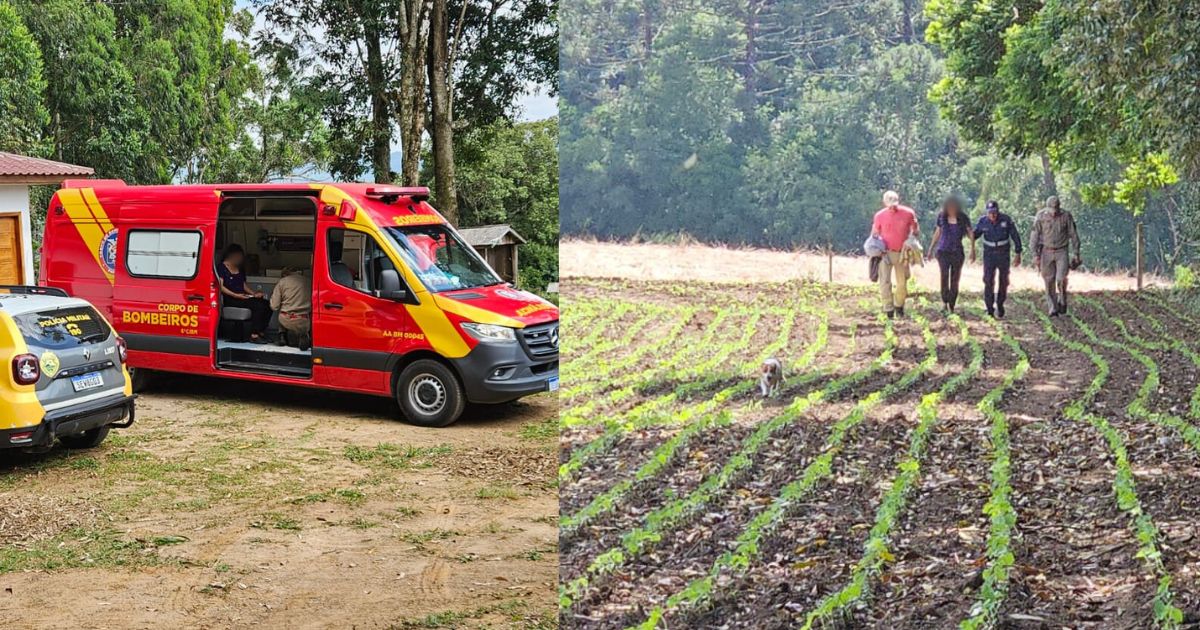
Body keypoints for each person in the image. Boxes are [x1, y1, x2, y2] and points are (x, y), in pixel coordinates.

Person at [870, 190, 919, 319]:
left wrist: (910, 240)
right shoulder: (879, 215)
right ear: (885, 203)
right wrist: (875, 249)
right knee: (884, 282)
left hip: (902, 253)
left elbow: (915, 230)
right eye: (890, 204)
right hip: (884, 253)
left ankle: (899, 305)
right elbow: (874, 234)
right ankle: (888, 309)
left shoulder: (908, 213)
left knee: (902, 282)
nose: (893, 206)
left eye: (894, 203)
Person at [1029, 195, 1081, 316]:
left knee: (1061, 279)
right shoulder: (1041, 216)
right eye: (1052, 210)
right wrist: (1034, 254)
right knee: (1048, 280)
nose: (1054, 212)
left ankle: (1062, 300)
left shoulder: (1066, 216)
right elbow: (1034, 235)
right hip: (1046, 251)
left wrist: (1076, 253)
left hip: (1061, 251)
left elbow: (1073, 235)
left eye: (1056, 210)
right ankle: (1052, 307)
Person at [970, 200, 1023, 318]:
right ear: (987, 213)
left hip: (1003, 254)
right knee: (988, 280)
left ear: (998, 212)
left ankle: (1000, 303)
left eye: (994, 212)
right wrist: (967, 234)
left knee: (1003, 280)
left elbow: (1015, 236)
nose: (992, 215)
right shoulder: (983, 221)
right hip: (989, 254)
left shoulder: (1006, 220)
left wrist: (1018, 253)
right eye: (990, 213)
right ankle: (989, 308)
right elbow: (975, 235)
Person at [926, 195, 973, 314]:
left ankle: (952, 303)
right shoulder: (942, 217)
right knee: (944, 276)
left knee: (955, 278)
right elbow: (938, 232)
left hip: (957, 252)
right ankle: (944, 302)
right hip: (943, 251)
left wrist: (973, 249)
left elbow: (970, 233)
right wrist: (931, 248)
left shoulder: (963, 218)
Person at [217, 244, 271, 343]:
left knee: (267, 304)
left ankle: (261, 331)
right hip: (231, 298)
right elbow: (221, 286)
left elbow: (243, 285)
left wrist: (254, 294)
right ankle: (254, 335)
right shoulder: (222, 267)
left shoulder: (239, 268)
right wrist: (235, 295)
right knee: (258, 306)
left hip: (242, 297)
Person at [270, 265, 312, 350]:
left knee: (282, 308)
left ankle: (282, 336)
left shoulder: (282, 282)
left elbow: (274, 306)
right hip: (304, 320)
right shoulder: (309, 281)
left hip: (286, 319)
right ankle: (304, 334)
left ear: (284, 274)